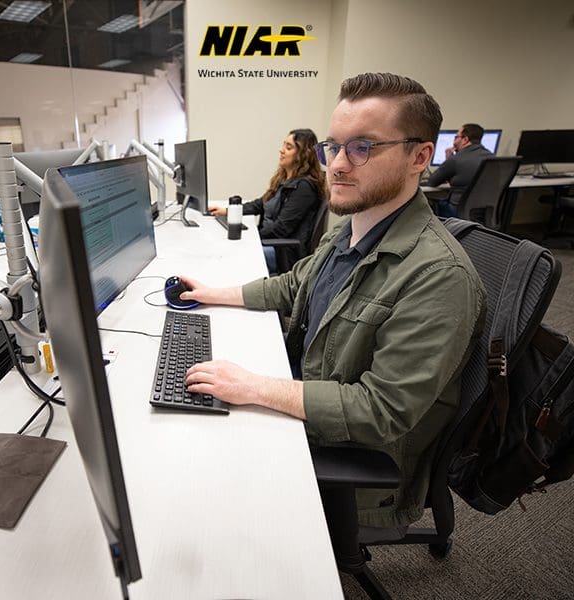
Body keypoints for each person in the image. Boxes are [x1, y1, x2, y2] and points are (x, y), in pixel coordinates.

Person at [180, 73, 486, 536]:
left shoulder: (439, 276)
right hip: (311, 401)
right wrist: (211, 293)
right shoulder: (353, 227)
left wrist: (257, 387)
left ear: (419, 157)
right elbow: (293, 285)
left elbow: (380, 410)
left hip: (351, 458)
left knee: (192, 480)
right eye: (333, 146)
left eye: (362, 147)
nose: (337, 165)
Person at [209, 129, 325, 273]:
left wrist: (252, 237)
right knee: (228, 247)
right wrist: (228, 210)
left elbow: (281, 229)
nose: (281, 150)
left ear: (303, 155)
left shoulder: (303, 188)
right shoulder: (284, 179)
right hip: (271, 244)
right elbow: (260, 204)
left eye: (288, 147)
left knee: (231, 253)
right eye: (284, 145)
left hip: (282, 253)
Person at [426, 123, 493, 217]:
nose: (454, 141)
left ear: (465, 140)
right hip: (484, 213)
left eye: (456, 137)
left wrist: (448, 159)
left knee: (429, 202)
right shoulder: (491, 158)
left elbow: (432, 182)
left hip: (457, 212)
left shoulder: (456, 159)